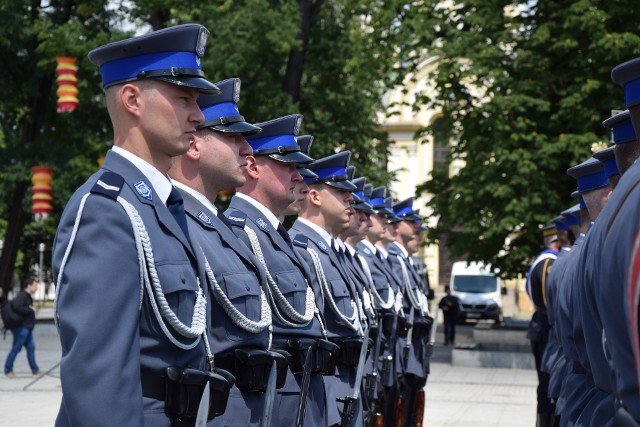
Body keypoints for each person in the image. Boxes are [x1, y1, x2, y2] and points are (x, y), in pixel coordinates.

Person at [52, 24, 219, 426]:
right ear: (132, 100)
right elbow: (99, 382)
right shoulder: (106, 210)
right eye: (184, 98)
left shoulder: (161, 206)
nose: (198, 115)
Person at [168, 77, 289, 426]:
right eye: (233, 137)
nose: (248, 150)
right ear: (194, 146)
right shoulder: (176, 223)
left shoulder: (220, 228)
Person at [224, 115, 332, 427]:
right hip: (271, 404)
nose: (300, 177)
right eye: (288, 165)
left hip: (302, 399)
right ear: (254, 168)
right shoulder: (240, 233)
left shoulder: (277, 237)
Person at [525, 223, 559, 427]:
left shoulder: (542, 260)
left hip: (541, 326)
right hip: (545, 327)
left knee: (545, 386)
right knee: (547, 386)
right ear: (554, 241)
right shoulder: (548, 263)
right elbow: (549, 301)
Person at [4, 277, 41, 378]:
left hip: (26, 328)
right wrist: (30, 310)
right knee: (16, 348)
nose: (36, 288)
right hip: (21, 328)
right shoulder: (22, 295)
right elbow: (17, 307)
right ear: (28, 286)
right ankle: (8, 370)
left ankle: (35, 370)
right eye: (35, 286)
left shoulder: (27, 296)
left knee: (31, 348)